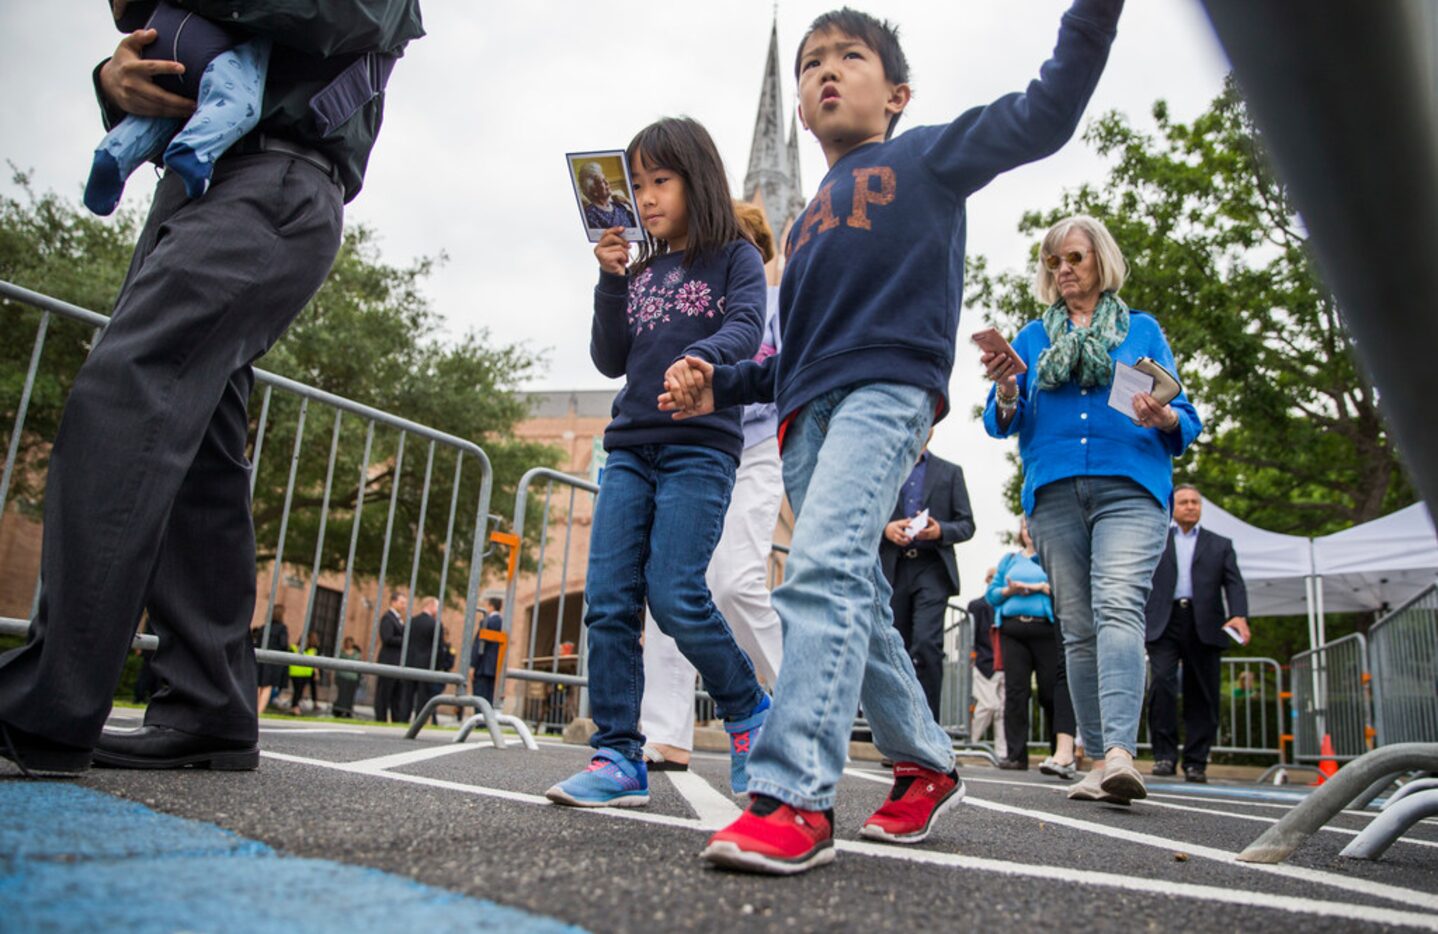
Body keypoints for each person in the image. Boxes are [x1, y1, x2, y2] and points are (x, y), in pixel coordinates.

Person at [662, 3, 1124, 873]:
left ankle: (794, 796)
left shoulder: (927, 156)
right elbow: (785, 355)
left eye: (849, 56)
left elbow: (1046, 111)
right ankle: (927, 762)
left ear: (898, 92)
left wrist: (1091, 16)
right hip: (808, 415)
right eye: (811, 65)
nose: (826, 71)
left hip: (887, 393)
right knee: (859, 597)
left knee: (821, 567)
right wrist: (717, 380)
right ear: (801, 106)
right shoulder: (799, 230)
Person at [0, 1, 423, 778]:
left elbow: (347, 17)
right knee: (199, 450)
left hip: (276, 176)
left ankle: (46, 705)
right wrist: (112, 79)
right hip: (202, 180)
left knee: (127, 389)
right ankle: (209, 705)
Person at [543, 116, 770, 810]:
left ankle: (748, 708)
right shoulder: (637, 269)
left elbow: (747, 329)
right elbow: (610, 358)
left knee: (675, 594)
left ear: (696, 180)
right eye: (635, 184)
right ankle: (617, 755)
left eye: (659, 182)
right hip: (628, 448)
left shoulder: (736, 257)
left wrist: (703, 361)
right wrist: (610, 282)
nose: (643, 198)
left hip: (698, 449)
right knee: (608, 603)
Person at [981, 213, 1201, 805]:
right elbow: (1000, 421)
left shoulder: (1141, 329)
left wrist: (1166, 416)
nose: (1064, 270)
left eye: (1074, 258)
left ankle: (1124, 754)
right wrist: (1006, 389)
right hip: (1053, 491)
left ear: (1100, 261)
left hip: (1130, 485)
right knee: (1077, 628)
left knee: (1118, 607)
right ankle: (1100, 758)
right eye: (1054, 262)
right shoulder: (1032, 338)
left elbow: (1188, 418)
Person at [638, 199, 786, 774]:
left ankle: (803, 699)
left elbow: (784, 372)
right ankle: (667, 733)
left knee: (735, 583)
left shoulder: (776, 305)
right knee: (670, 585)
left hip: (753, 450)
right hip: (695, 447)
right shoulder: (688, 295)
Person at [85, 1, 270, 215]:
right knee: (237, 101)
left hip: (159, 37)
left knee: (160, 112)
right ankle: (194, 151)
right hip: (217, 50)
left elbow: (125, 18)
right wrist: (109, 80)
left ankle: (114, 154)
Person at [1144, 484, 1250, 783]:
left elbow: (1234, 583)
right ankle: (1164, 756)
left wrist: (1239, 615)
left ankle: (1196, 761)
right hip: (1164, 621)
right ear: (1172, 507)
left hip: (1205, 623)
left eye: (1195, 502)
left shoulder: (1220, 544)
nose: (1190, 506)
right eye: (1184, 502)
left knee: (1202, 693)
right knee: (1161, 684)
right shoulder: (1156, 541)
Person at [879, 440, 975, 719]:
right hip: (893, 569)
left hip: (932, 567)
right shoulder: (885, 468)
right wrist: (886, 529)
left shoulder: (950, 472)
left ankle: (927, 728)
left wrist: (939, 531)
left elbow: (967, 524)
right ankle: (895, 729)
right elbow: (864, 513)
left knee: (926, 644)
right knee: (893, 649)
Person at [985, 518, 1077, 778]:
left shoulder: (1051, 559)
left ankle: (1059, 750)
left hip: (1045, 630)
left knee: (1049, 691)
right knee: (1015, 692)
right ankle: (1016, 755)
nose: (1029, 532)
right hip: (1014, 631)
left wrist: (1035, 588)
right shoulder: (1009, 560)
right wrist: (1011, 591)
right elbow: (992, 594)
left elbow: (1059, 589)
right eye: (1025, 527)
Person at [967, 573, 1007, 762]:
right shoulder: (977, 606)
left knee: (1003, 711)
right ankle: (972, 742)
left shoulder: (1005, 607)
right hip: (984, 663)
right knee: (988, 706)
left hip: (1005, 663)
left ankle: (1002, 751)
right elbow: (971, 634)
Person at [400, 596, 441, 723]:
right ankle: (419, 721)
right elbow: (439, 648)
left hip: (410, 662)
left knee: (407, 695)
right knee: (423, 696)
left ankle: (403, 719)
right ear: (430, 605)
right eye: (437, 607)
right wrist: (438, 666)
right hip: (426, 664)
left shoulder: (411, 622)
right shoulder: (435, 624)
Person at [373, 590, 409, 724]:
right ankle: (381, 718)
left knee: (396, 693)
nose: (404, 605)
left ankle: (396, 718)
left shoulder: (399, 619)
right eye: (402, 602)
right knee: (384, 693)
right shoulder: (388, 618)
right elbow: (387, 638)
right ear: (393, 602)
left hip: (397, 661)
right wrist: (405, 640)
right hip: (388, 660)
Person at [579, 162, 637, 231]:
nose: (607, 182)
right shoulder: (591, 214)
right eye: (602, 181)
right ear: (594, 191)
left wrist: (627, 201)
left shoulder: (618, 206)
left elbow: (640, 222)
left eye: (605, 178)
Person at [470, 597, 504, 705]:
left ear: (491, 606)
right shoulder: (503, 623)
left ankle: (481, 722)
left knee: (479, 700)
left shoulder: (486, 622)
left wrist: (473, 665)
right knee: (489, 700)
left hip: (483, 666)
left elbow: (480, 644)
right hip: (495, 668)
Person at [255, 610, 289, 714]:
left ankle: (254, 709)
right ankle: (259, 711)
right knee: (267, 686)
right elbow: (283, 644)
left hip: (260, 658)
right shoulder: (282, 629)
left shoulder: (264, 627)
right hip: (272, 660)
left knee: (258, 684)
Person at [286, 632, 321, 716]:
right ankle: (294, 707)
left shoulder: (311, 650)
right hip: (297, 673)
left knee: (299, 691)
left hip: (305, 674)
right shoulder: (295, 648)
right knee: (298, 691)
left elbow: (314, 663)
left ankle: (295, 706)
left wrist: (316, 673)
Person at [332, 637, 363, 719]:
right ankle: (339, 710)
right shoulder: (341, 653)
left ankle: (348, 711)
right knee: (341, 695)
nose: (348, 644)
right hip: (342, 677)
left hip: (353, 678)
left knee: (350, 696)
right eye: (347, 642)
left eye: (350, 642)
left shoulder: (357, 654)